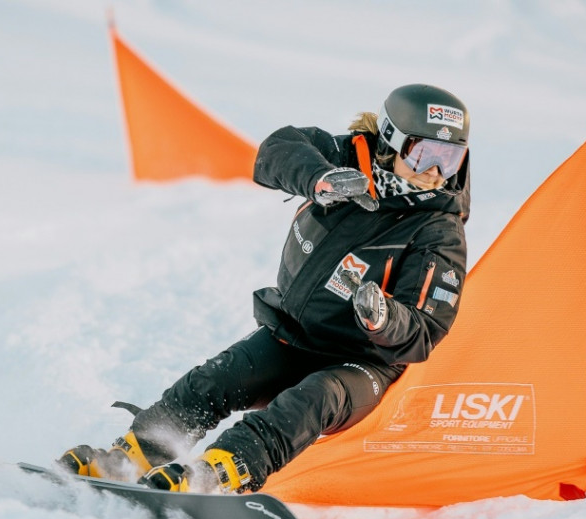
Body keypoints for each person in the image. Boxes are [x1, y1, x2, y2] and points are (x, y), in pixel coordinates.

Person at [59, 83, 471, 493]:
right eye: (423, 153)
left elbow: (425, 330)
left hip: (363, 362)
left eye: (449, 159)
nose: (435, 171)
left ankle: (218, 473)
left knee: (311, 398)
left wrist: (383, 319)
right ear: (389, 141)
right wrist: (319, 179)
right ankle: (133, 457)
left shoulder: (439, 229)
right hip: (294, 336)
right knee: (218, 378)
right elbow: (276, 149)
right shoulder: (347, 158)